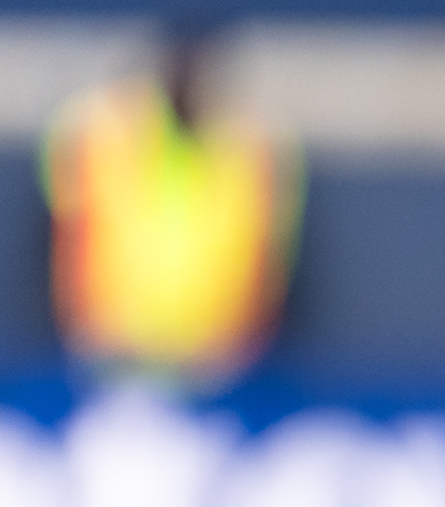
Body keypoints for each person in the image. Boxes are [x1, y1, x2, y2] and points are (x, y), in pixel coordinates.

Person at [41, 26, 301, 389]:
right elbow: (73, 234)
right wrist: (87, 332)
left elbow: (267, 253)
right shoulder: (103, 130)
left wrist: (241, 346)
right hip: (114, 356)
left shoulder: (254, 144)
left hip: (218, 366)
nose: (189, 85)